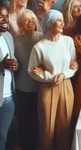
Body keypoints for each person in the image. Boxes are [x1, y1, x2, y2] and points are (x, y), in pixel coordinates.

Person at [28, 10, 77, 150]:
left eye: (62, 20)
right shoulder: (39, 47)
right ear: (50, 24)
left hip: (66, 85)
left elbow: (74, 65)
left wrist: (63, 74)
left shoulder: (68, 41)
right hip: (47, 88)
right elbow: (32, 70)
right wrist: (50, 77)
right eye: (59, 20)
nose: (63, 23)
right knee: (47, 128)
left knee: (64, 127)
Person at [14, 9, 43, 150]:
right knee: (24, 122)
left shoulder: (43, 38)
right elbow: (13, 62)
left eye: (32, 18)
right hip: (22, 87)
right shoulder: (15, 40)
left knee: (39, 121)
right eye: (26, 19)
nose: (30, 21)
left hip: (40, 87)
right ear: (20, 24)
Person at [0, 6, 17, 150]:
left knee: (2, 137)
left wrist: (14, 64)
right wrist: (2, 65)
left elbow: (12, 59)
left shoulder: (8, 36)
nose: (4, 19)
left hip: (9, 97)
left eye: (6, 16)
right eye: (0, 16)